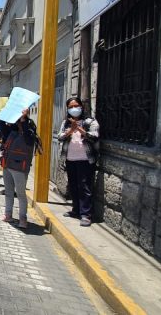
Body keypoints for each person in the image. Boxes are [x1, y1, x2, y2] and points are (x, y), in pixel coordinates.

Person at [58, 97, 100, 227]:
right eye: (70, 107)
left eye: (76, 106)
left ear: (81, 107)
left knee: (84, 187)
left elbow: (94, 136)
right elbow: (60, 137)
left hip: (85, 159)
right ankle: (76, 210)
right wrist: (71, 129)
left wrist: (80, 129)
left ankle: (86, 214)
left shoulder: (90, 121)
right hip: (70, 159)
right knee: (73, 186)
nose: (73, 109)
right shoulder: (66, 123)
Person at [0, 108, 39, 229]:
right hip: (7, 164)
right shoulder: (12, 128)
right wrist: (5, 113)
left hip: (20, 167)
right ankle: (8, 215)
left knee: (20, 194)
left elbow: (28, 138)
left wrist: (24, 120)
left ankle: (23, 218)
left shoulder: (30, 126)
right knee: (9, 192)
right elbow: (3, 129)